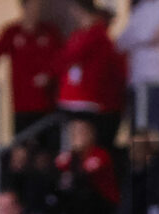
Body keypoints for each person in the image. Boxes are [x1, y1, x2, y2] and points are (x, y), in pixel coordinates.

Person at [0, 0, 63, 139]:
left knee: (48, 145)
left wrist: (49, 75)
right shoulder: (11, 32)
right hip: (22, 105)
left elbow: (62, 60)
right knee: (22, 145)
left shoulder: (50, 32)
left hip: (47, 104)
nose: (36, 10)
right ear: (24, 7)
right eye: (33, 6)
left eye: (38, 7)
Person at [54, 0, 126, 148]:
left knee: (89, 147)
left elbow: (68, 57)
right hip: (77, 101)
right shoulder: (80, 35)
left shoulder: (97, 37)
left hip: (91, 103)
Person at [117, 0, 159, 142]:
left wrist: (134, 37)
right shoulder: (140, 7)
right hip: (136, 78)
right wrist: (135, 37)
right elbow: (121, 41)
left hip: (157, 78)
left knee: (158, 128)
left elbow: (149, 34)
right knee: (137, 130)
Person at [55, 118, 120, 214]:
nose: (76, 136)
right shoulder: (69, 157)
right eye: (73, 133)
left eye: (81, 132)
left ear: (91, 134)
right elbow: (59, 172)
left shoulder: (100, 154)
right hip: (78, 210)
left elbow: (84, 174)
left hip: (104, 206)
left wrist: (73, 159)